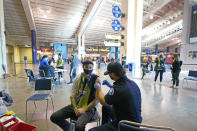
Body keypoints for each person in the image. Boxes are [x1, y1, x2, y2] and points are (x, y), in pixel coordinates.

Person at [89, 62, 142, 131]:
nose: (109, 76)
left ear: (113, 73)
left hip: (125, 125)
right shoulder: (133, 83)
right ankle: (105, 127)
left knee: (92, 130)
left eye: (109, 74)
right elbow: (120, 93)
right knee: (106, 107)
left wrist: (98, 87)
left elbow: (103, 101)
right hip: (136, 122)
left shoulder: (118, 88)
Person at [50, 60, 99, 131]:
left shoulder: (96, 80)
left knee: (79, 126)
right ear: (83, 67)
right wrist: (75, 108)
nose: (88, 69)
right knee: (54, 117)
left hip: (89, 109)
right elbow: (72, 96)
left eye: (90, 67)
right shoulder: (78, 79)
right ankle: (70, 128)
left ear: (93, 68)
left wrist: (84, 109)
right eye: (86, 67)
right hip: (76, 105)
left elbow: (97, 100)